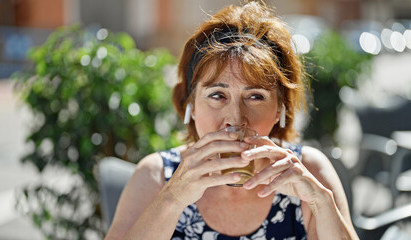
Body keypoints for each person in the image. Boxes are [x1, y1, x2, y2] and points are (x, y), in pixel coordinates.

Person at [105, 1, 359, 239]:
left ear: (280, 109)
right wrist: (172, 198)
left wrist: (320, 203)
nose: (235, 119)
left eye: (255, 97)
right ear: (190, 105)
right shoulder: (156, 176)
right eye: (217, 95)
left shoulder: (309, 170)